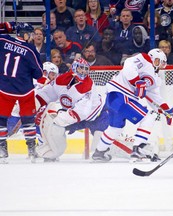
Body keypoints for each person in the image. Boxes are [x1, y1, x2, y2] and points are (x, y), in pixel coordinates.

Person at [91, 48, 173, 162]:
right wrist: (137, 81)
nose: (160, 64)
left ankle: (99, 152)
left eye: (162, 62)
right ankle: (138, 149)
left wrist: (167, 110)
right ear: (152, 58)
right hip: (121, 95)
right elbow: (128, 64)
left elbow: (153, 96)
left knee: (115, 128)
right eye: (158, 61)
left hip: (115, 99)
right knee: (149, 117)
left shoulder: (155, 78)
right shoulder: (144, 59)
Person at [35, 58, 108, 161]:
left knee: (98, 154)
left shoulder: (87, 85)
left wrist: (60, 117)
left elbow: (82, 112)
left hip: (98, 117)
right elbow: (46, 94)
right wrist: (33, 107)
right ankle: (51, 153)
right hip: (76, 116)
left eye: (85, 69)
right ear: (74, 68)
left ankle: (107, 150)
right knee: (50, 123)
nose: (83, 71)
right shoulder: (61, 80)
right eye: (80, 68)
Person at [0, 22, 43, 163]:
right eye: (29, 34)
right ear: (24, 34)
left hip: (4, 88)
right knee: (28, 120)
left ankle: (2, 150)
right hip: (24, 91)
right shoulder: (30, 50)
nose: (31, 36)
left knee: (1, 120)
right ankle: (31, 150)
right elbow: (39, 74)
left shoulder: (3, 40)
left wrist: (8, 25)